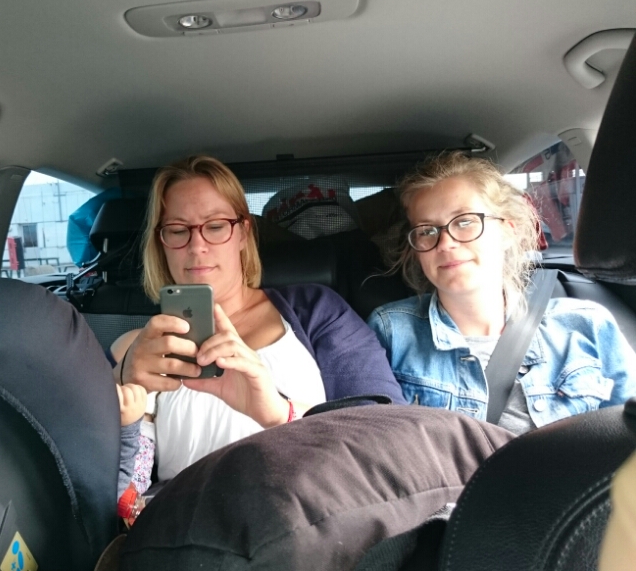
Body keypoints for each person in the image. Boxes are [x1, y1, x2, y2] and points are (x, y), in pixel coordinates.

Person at [110, 155, 404, 484]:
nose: (197, 246)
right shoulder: (137, 348)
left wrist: (280, 413)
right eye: (178, 231)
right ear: (160, 243)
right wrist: (118, 381)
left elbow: (389, 433)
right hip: (186, 514)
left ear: (243, 232)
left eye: (216, 226)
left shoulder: (315, 310)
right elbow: (104, 475)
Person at [368, 151, 636, 435]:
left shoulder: (586, 326)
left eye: (465, 221)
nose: (445, 243)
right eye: (426, 231)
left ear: (507, 231)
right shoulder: (391, 332)